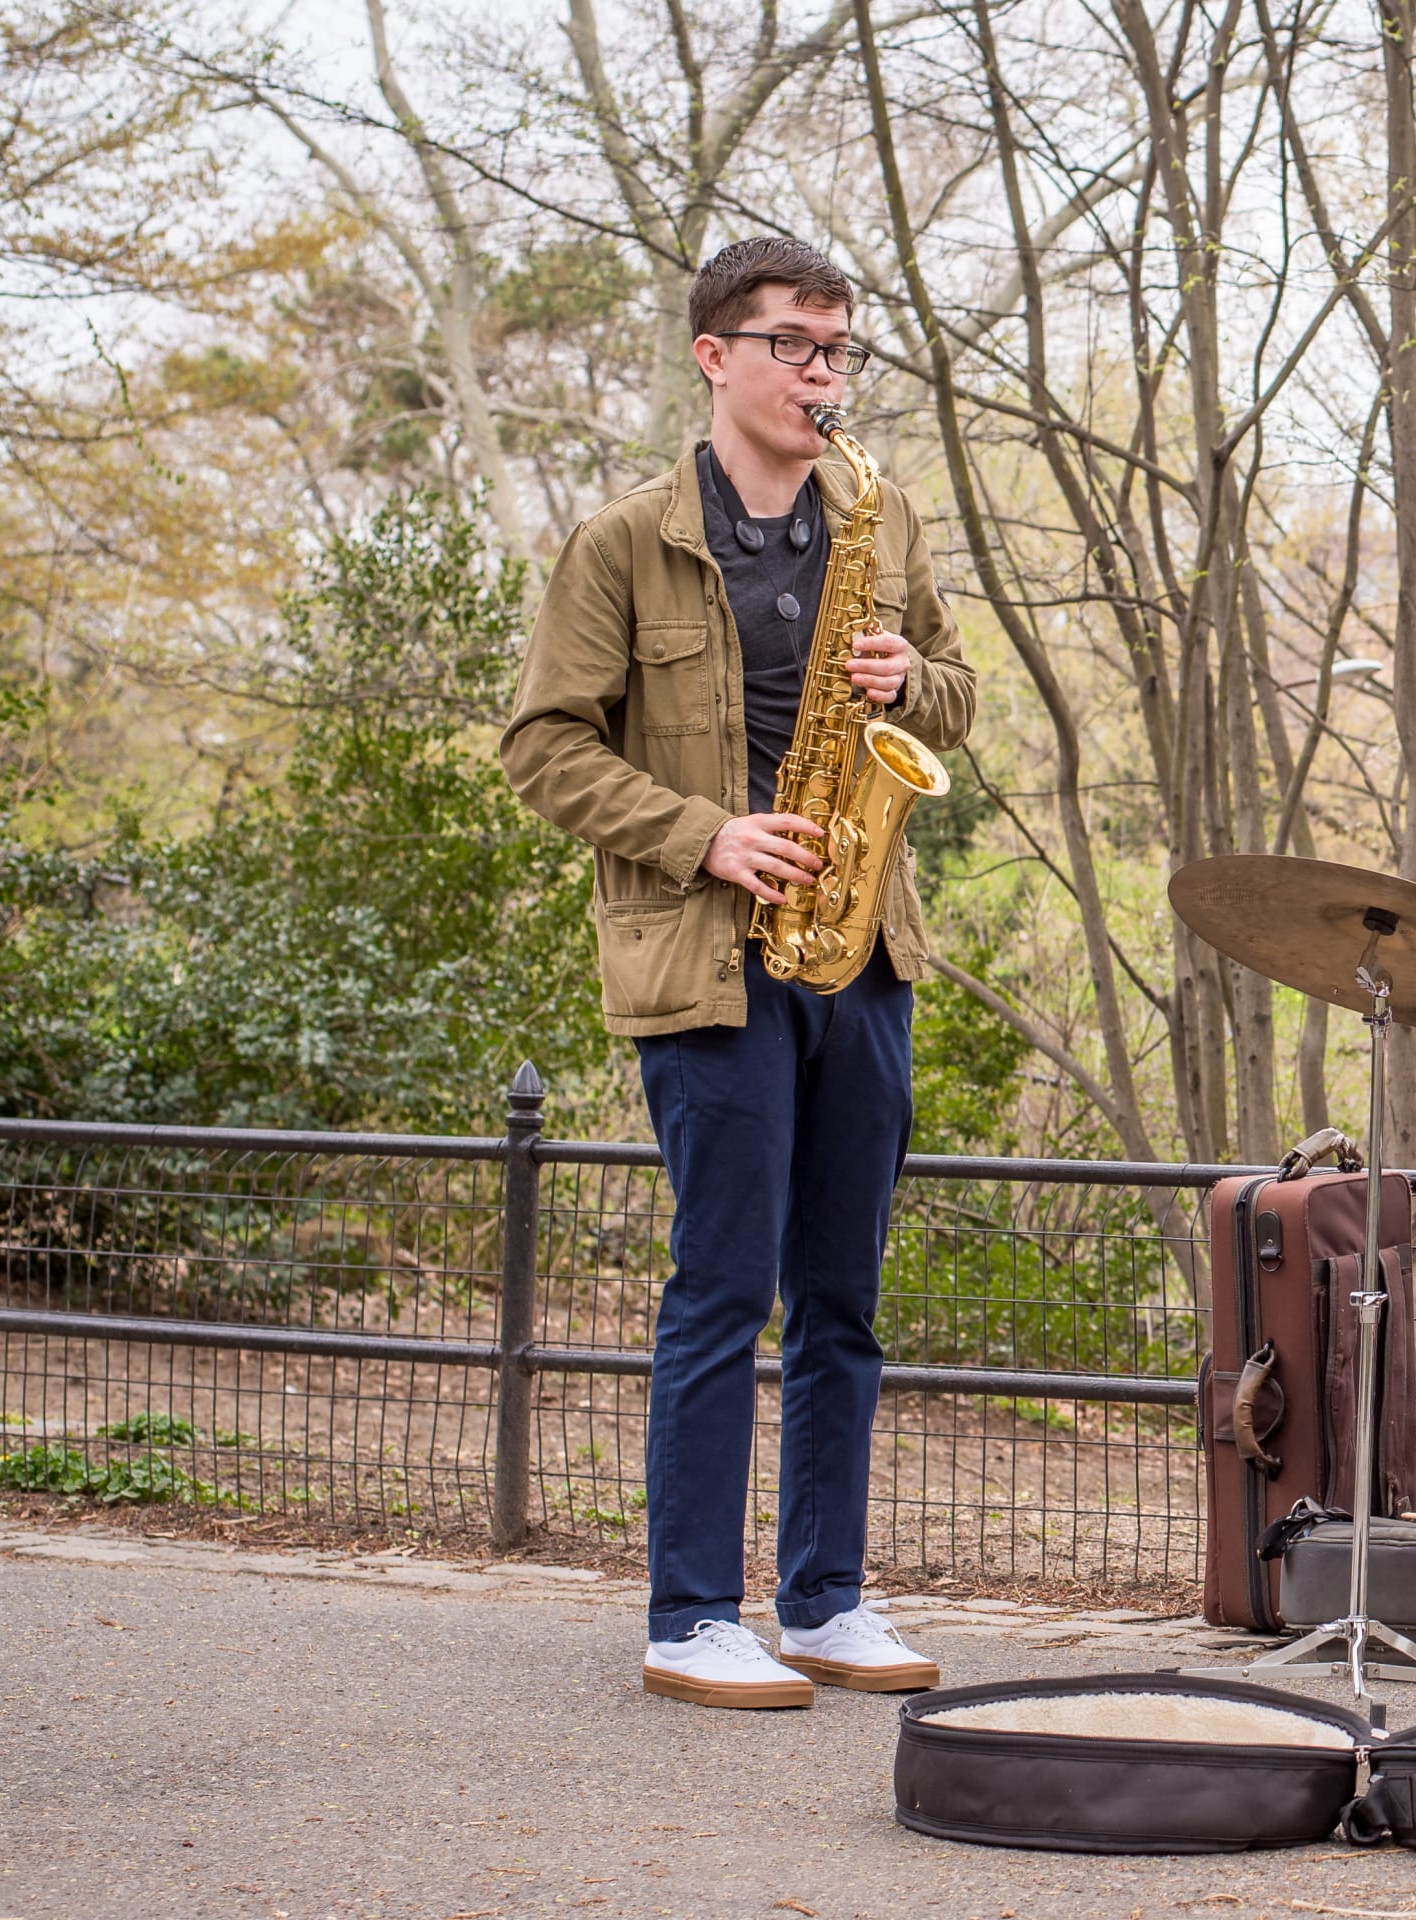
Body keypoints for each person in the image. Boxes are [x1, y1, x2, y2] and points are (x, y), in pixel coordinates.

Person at [501, 236, 979, 1710]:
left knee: (844, 1292)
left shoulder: (877, 524)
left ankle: (826, 1600)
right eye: (793, 346)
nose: (821, 375)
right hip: (711, 959)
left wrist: (916, 685)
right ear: (715, 356)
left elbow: (956, 703)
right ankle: (691, 1614)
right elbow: (543, 749)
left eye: (838, 350)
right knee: (721, 1289)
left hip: (861, 946)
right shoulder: (624, 541)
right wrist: (706, 836)